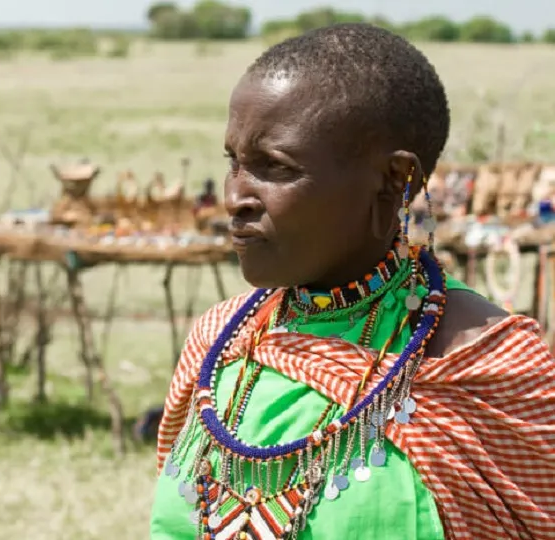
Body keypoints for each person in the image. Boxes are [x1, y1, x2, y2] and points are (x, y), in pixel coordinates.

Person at [150, 23, 555, 540]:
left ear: (396, 181)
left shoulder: (483, 361)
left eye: (273, 166)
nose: (236, 198)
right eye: (234, 162)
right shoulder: (220, 341)